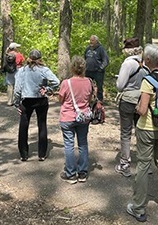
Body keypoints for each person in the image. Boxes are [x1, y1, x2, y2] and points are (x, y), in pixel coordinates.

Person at [126, 44, 158, 222]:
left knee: (143, 165)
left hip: (147, 129)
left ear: (147, 60)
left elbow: (143, 109)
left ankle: (138, 208)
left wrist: (137, 107)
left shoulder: (148, 81)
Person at [13, 49, 60, 161]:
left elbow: (17, 89)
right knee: (42, 125)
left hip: (26, 101)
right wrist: (48, 89)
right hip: (41, 100)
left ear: (29, 58)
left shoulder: (22, 71)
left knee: (23, 126)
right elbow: (57, 82)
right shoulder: (44, 70)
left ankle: (24, 154)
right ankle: (42, 154)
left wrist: (17, 103)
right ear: (40, 59)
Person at [115, 37, 149, 177]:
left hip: (128, 101)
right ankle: (146, 164)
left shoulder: (127, 64)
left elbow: (120, 85)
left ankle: (125, 163)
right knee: (141, 131)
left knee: (126, 132)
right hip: (141, 100)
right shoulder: (145, 63)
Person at [58, 56, 93, 184]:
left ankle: (71, 174)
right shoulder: (89, 82)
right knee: (83, 144)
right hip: (83, 117)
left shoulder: (66, 83)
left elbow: (60, 99)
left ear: (72, 67)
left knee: (69, 145)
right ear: (84, 68)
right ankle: (82, 172)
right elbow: (89, 99)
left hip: (67, 117)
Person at [84, 35, 109, 103]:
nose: (91, 42)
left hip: (98, 72)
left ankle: (99, 101)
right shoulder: (87, 49)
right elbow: (84, 59)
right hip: (88, 71)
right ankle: (87, 100)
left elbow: (106, 61)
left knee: (99, 87)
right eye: (90, 40)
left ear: (96, 41)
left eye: (92, 40)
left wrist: (100, 68)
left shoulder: (101, 49)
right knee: (87, 86)